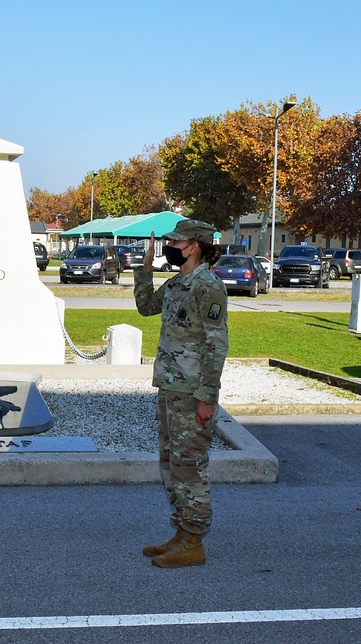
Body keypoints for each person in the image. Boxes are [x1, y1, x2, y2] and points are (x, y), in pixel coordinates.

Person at [133, 219, 229, 568]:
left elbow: (216, 346)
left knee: (190, 466)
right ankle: (182, 533)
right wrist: (145, 271)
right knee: (171, 464)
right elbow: (146, 307)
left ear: (194, 246)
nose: (171, 247)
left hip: (191, 391)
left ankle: (195, 541)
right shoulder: (177, 283)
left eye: (177, 241)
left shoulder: (208, 287)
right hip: (171, 386)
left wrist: (207, 397)